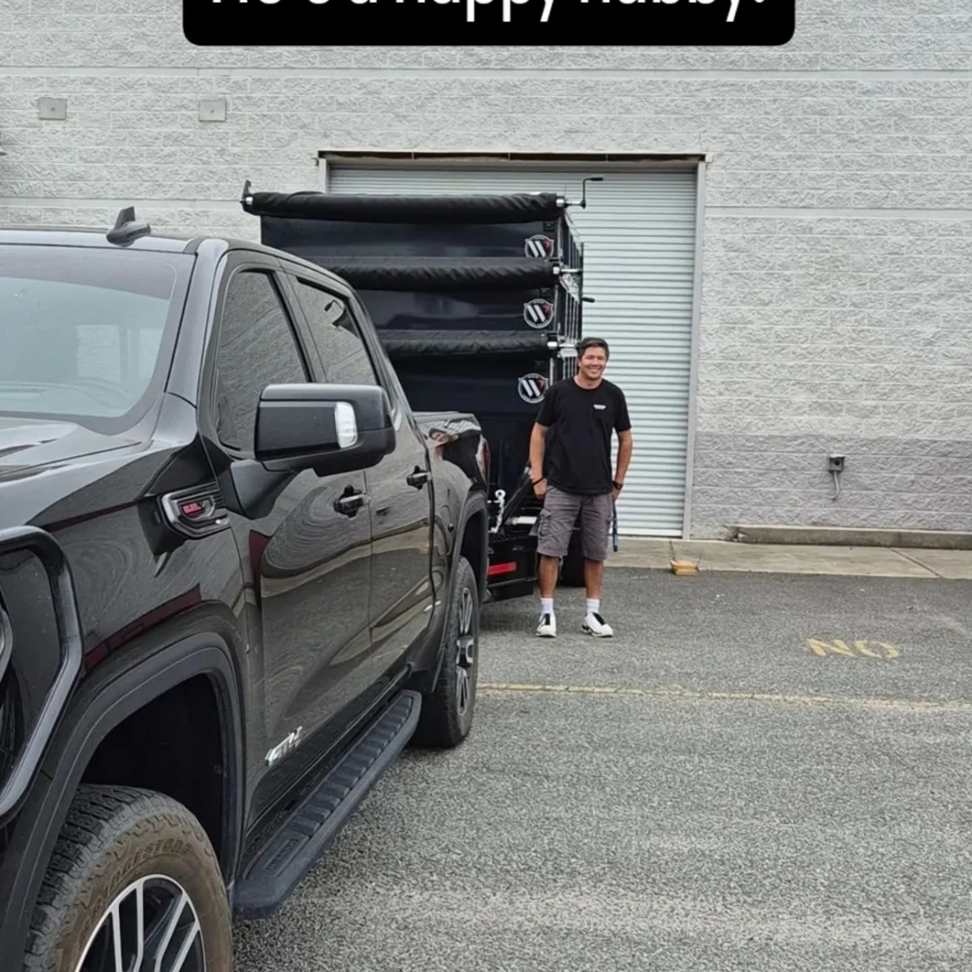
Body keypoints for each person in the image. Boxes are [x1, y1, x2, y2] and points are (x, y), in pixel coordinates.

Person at [528, 336, 633, 638]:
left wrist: (618, 481)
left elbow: (626, 439)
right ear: (579, 360)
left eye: (600, 359)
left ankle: (592, 614)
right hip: (560, 487)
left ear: (606, 362)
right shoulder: (559, 393)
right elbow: (538, 433)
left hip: (599, 490)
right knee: (550, 550)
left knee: (595, 553)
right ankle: (547, 615)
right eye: (590, 358)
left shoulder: (614, 395)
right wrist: (538, 476)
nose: (595, 363)